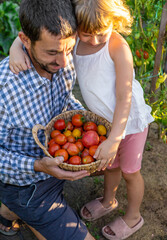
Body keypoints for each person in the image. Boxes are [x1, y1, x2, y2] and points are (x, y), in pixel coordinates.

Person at [8, 0, 154, 239]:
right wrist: (16, 48)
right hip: (105, 124)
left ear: (113, 22)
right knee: (110, 166)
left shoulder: (117, 47)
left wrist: (115, 139)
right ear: (76, 28)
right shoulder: (74, 42)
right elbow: (35, 32)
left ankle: (133, 216)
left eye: (102, 33)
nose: (95, 40)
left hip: (130, 123)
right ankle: (108, 201)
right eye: (87, 34)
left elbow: (124, 95)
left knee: (130, 171)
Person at [0, 0, 95, 239]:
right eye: (52, 52)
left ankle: (8, 214)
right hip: (27, 184)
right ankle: (20, 206)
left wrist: (81, 117)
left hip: (57, 161)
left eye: (67, 49)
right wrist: (38, 166)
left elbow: (65, 99)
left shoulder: (60, 56)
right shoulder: (5, 89)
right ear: (25, 40)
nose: (63, 62)